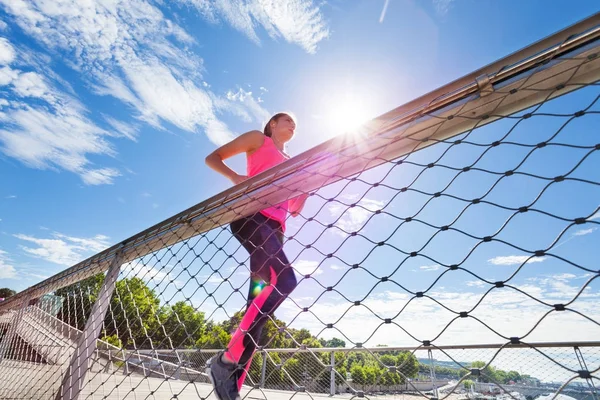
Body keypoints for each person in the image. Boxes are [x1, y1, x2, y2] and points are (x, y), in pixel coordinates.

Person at [204, 112, 308, 400]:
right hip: (251, 218)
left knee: (257, 307)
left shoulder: (293, 163)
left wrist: (306, 187)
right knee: (285, 281)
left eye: (295, 124)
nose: (292, 124)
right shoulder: (258, 140)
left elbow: (295, 208)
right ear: (272, 124)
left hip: (276, 231)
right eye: (286, 120)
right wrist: (235, 177)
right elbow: (213, 157)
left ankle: (231, 387)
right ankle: (224, 362)